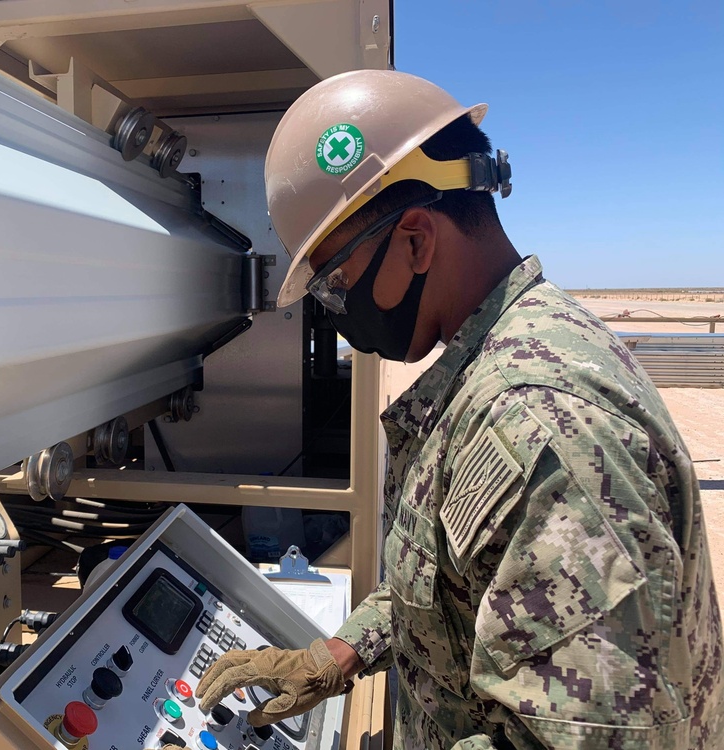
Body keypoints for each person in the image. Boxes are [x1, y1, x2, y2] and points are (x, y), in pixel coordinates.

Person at [162, 70, 723, 749]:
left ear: (418, 240)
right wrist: (338, 656)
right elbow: (459, 584)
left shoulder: (536, 423)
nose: (338, 311)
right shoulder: (497, 362)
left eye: (337, 283)